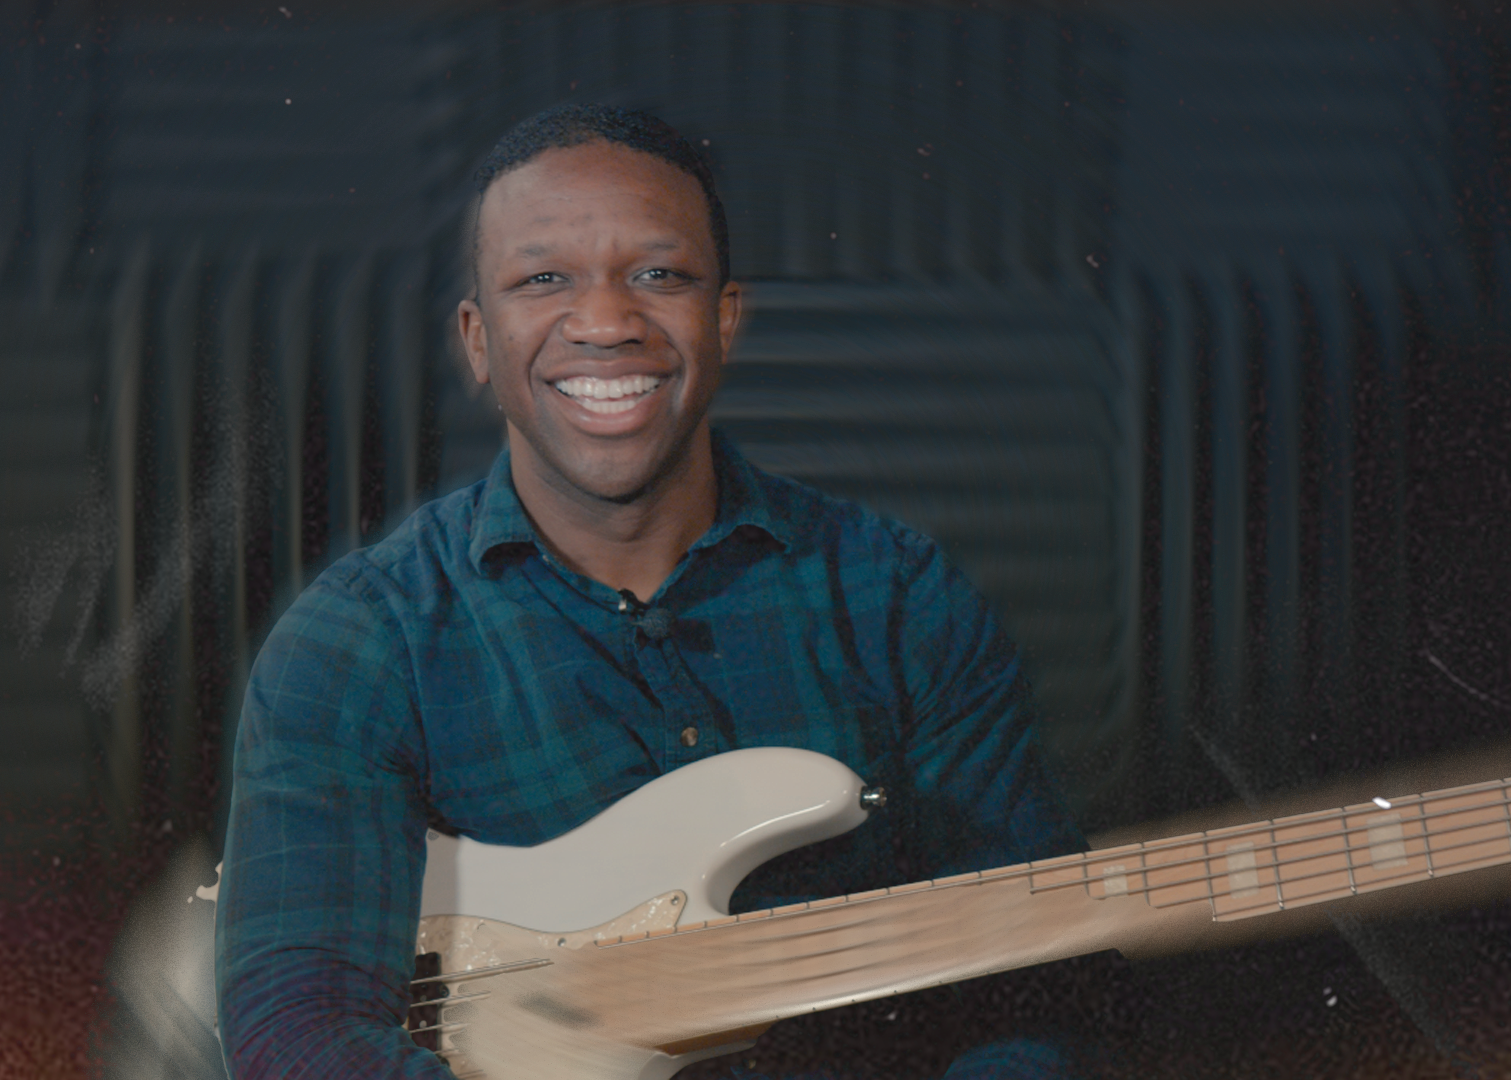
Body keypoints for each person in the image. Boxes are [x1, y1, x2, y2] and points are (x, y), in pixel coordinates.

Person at [215, 103, 1087, 1079]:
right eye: (543, 279)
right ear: (476, 338)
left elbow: (1032, 979)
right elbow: (297, 1027)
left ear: (724, 319)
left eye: (658, 276)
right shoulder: (356, 641)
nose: (605, 322)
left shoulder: (901, 600)